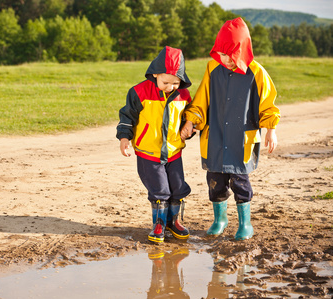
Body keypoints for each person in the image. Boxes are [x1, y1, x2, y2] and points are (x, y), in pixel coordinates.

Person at [181, 17, 280, 241]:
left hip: (240, 142)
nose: (225, 60)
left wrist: (271, 129)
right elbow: (201, 100)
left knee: (240, 183)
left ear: (241, 50)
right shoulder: (212, 67)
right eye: (221, 54)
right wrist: (190, 121)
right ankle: (220, 220)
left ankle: (245, 224)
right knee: (215, 182)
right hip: (214, 138)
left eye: (229, 55)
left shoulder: (257, 73)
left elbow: (268, 104)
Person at [116, 46, 193, 243]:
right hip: (148, 152)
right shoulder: (139, 92)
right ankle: (158, 223)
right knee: (160, 189)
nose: (170, 87)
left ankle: (173, 221)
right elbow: (127, 116)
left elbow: (188, 120)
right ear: (155, 74)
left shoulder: (184, 95)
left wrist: (189, 130)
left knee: (178, 187)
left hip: (174, 151)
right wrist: (125, 138)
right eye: (165, 82)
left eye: (175, 83)